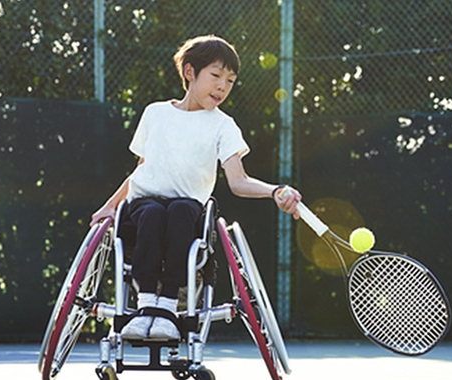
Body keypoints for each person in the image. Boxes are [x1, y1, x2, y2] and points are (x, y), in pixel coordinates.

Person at [90, 35, 301, 340]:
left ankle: (166, 307)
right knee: (150, 213)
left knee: (180, 210)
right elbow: (141, 169)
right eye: (216, 76)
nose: (223, 86)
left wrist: (274, 191)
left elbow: (238, 181)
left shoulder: (223, 125)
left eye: (230, 80)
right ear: (190, 72)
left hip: (187, 210)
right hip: (144, 203)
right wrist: (110, 205)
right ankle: (146, 304)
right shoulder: (155, 113)